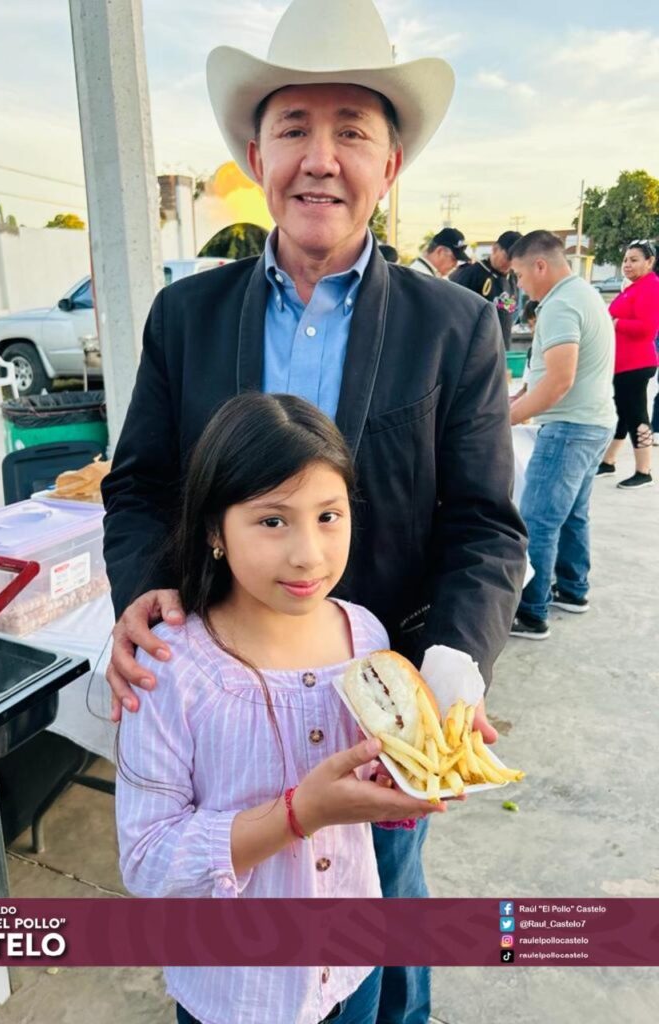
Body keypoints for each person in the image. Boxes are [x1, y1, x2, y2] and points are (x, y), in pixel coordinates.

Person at [103, 2, 527, 1021]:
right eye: (295, 127)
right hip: (228, 723)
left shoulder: (456, 325)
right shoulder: (186, 315)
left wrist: (452, 669)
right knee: (241, 951)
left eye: (353, 130)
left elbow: (484, 524)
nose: (321, 158)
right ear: (257, 152)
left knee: (383, 944)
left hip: (382, 718)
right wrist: (145, 591)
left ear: (391, 165)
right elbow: (141, 484)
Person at [117, 392, 447, 1024]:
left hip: (355, 966)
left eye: (329, 516)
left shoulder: (369, 639)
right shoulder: (170, 669)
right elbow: (147, 859)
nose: (309, 555)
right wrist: (301, 813)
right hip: (237, 992)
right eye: (273, 521)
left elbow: (369, 790)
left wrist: (409, 787)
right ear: (215, 529)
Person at [508, 231, 615, 639]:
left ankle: (532, 611)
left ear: (540, 265)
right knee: (572, 514)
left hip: (569, 428)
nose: (518, 285)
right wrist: (517, 398)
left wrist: (511, 417)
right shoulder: (582, 295)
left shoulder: (560, 305)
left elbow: (559, 381)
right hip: (593, 424)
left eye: (519, 275)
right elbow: (548, 375)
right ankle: (572, 589)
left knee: (537, 519)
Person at [595, 240, 659, 489]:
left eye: (634, 260)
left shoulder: (651, 287)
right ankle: (608, 461)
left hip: (636, 363)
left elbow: (647, 329)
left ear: (650, 262)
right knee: (621, 414)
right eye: (625, 260)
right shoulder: (634, 287)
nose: (627, 265)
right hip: (622, 364)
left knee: (636, 414)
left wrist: (615, 322)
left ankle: (644, 470)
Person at [451, 231, 522, 349]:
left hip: (502, 347)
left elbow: (510, 312)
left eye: (515, 260)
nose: (510, 264)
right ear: (495, 249)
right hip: (474, 347)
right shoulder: (470, 274)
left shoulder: (514, 278)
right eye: (507, 257)